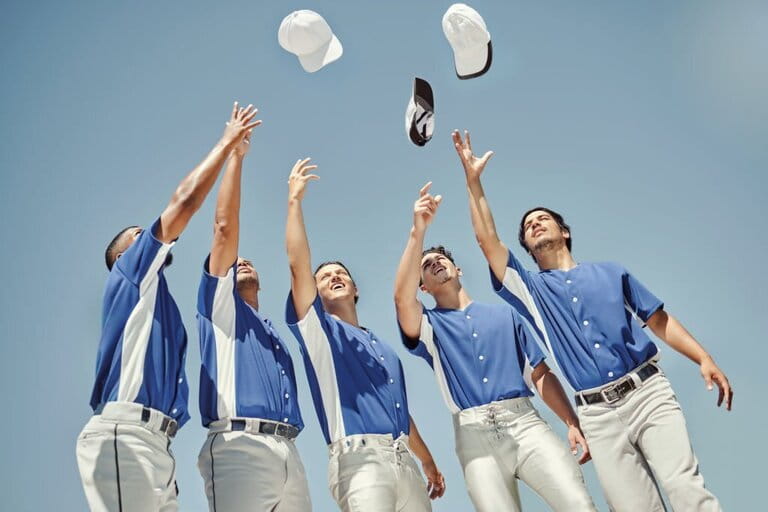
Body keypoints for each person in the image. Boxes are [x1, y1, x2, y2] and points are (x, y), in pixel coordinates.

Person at [453, 129, 732, 511]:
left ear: (564, 232)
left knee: (685, 487)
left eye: (542, 219)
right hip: (596, 415)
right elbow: (487, 241)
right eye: (528, 226)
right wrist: (473, 182)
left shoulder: (611, 272)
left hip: (648, 393)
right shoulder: (531, 291)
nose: (534, 224)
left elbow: (658, 320)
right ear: (527, 249)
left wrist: (703, 357)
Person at [76, 102, 260, 511]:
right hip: (126, 432)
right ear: (122, 256)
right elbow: (185, 202)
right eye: (137, 235)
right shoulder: (129, 273)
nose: (148, 235)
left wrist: (236, 157)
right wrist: (226, 143)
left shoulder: (160, 305)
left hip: (157, 443)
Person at [394, 182, 597, 512]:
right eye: (426, 265)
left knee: (578, 503)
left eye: (440, 258)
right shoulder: (428, 326)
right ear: (424, 289)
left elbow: (540, 373)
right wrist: (418, 232)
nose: (434, 263)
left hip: (526, 425)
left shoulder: (506, 315)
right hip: (473, 437)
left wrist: (571, 422)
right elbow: (402, 299)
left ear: (458, 269)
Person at [284, 158, 445, 512]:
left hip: (405, 463)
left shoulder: (385, 348)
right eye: (324, 277)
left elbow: (399, 413)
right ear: (314, 291)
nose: (334, 276)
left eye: (341, 273)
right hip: (360, 462)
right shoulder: (320, 334)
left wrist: (427, 460)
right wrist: (294, 201)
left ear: (356, 289)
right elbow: (298, 266)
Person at [195, 114, 311, 511]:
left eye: (248, 261)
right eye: (234, 262)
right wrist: (236, 156)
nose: (241, 261)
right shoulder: (219, 309)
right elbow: (224, 228)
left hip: (289, 450)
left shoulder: (273, 332)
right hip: (238, 446)